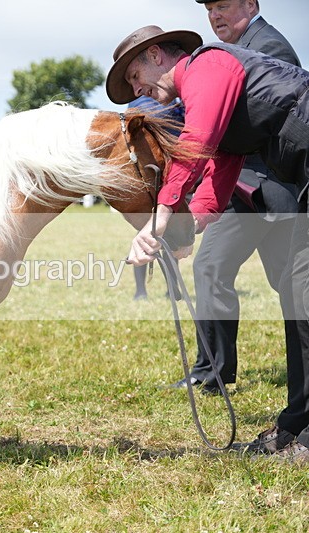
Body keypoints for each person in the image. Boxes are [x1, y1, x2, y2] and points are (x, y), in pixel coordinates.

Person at [105, 25, 309, 463]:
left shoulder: (207, 65)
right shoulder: (208, 94)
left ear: (158, 55)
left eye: (136, 76)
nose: (138, 89)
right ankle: (298, 423)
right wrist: (181, 229)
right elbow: (220, 171)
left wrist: (156, 223)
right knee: (299, 295)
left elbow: (195, 145)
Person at [166, 0, 301, 396]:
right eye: (210, 9)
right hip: (239, 191)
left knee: (290, 287)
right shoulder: (231, 50)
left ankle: (220, 370)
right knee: (211, 268)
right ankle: (212, 369)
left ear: (251, 4)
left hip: (270, 189)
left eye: (223, 5)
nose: (215, 16)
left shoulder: (269, 47)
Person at [126, 95, 186, 301]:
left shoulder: (135, 104)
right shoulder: (171, 101)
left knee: (150, 235)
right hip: (162, 175)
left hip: (151, 177)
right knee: (162, 235)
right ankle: (163, 289)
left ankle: (145, 291)